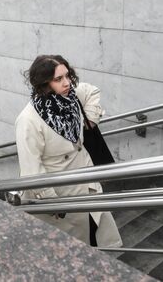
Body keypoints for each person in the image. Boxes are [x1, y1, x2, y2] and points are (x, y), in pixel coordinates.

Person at [15, 55, 122, 247]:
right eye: (58, 79)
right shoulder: (28, 120)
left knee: (99, 234)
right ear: (43, 84)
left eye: (67, 75)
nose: (67, 83)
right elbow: (32, 170)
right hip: (63, 195)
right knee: (72, 246)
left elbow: (92, 91)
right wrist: (53, 203)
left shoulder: (72, 97)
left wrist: (88, 120)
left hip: (87, 180)